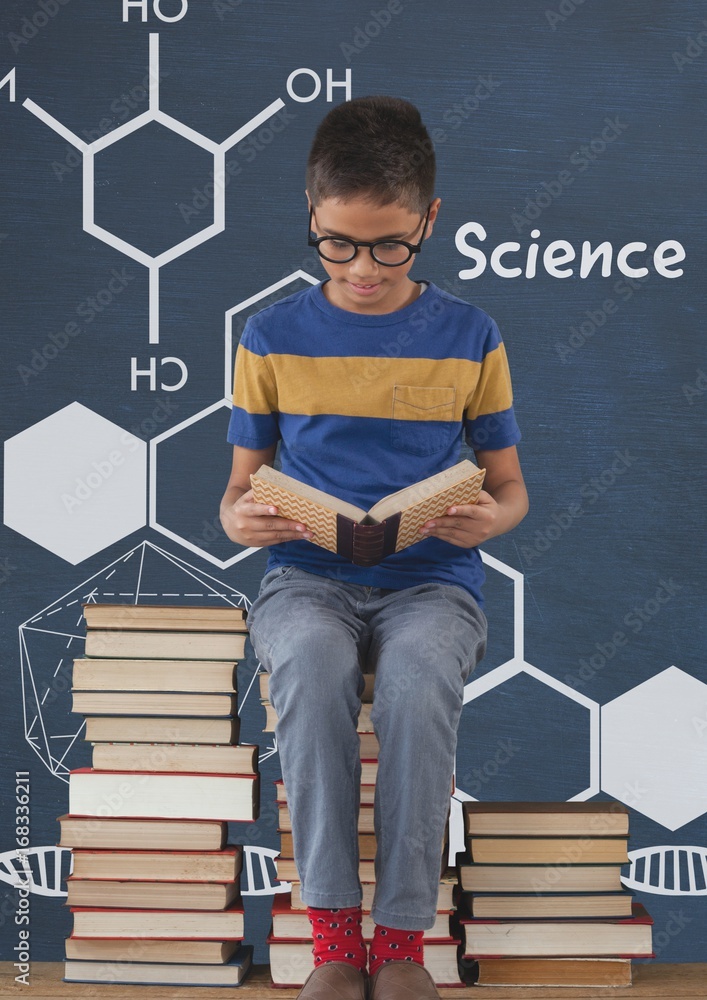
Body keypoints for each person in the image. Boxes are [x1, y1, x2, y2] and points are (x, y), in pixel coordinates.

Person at [220, 95, 529, 1000]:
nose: (362, 269)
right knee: (310, 667)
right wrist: (241, 519)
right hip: (306, 577)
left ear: (429, 220)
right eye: (338, 244)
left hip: (431, 580)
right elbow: (237, 494)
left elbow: (510, 488)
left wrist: (489, 519)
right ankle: (333, 939)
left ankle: (400, 937)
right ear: (312, 219)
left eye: (389, 244)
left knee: (418, 680)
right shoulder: (269, 335)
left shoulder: (472, 336)